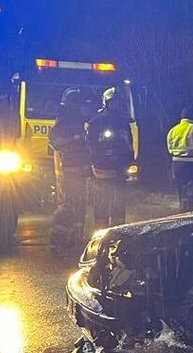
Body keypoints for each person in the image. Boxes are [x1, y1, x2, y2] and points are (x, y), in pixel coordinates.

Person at [48, 88, 94, 249]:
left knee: (81, 202)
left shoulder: (81, 121)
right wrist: (73, 139)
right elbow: (54, 141)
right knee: (68, 201)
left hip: (80, 167)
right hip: (68, 167)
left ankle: (77, 233)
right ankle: (60, 234)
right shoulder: (64, 120)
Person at [86, 86, 136, 228]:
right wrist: (94, 162)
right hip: (102, 167)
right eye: (113, 102)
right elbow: (90, 144)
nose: (116, 105)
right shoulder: (96, 121)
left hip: (120, 168)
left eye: (118, 102)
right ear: (106, 102)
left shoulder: (123, 122)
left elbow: (129, 144)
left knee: (119, 201)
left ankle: (117, 229)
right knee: (102, 200)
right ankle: (101, 231)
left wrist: (130, 162)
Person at [166, 108, 193, 212]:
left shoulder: (173, 130)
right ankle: (189, 212)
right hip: (191, 164)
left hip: (176, 164)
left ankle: (182, 209)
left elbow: (170, 148)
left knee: (180, 189)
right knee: (191, 189)